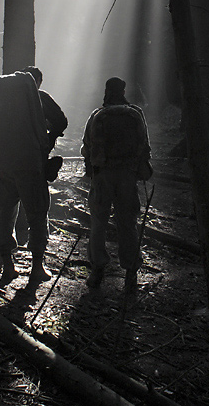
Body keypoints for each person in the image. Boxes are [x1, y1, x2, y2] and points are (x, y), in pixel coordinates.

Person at [0, 68, 58, 285]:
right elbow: (61, 121)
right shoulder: (40, 98)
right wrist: (46, 141)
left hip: (5, 165)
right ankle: (37, 267)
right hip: (30, 165)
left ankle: (8, 265)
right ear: (37, 83)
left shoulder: (1, 102)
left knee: (6, 212)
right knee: (37, 213)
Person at [81, 77, 152, 292]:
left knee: (98, 223)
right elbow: (145, 146)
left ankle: (97, 270)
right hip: (127, 176)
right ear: (123, 91)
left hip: (102, 176)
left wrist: (91, 168)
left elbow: (86, 148)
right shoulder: (135, 114)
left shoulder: (97, 115)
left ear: (106, 91)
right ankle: (131, 273)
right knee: (127, 223)